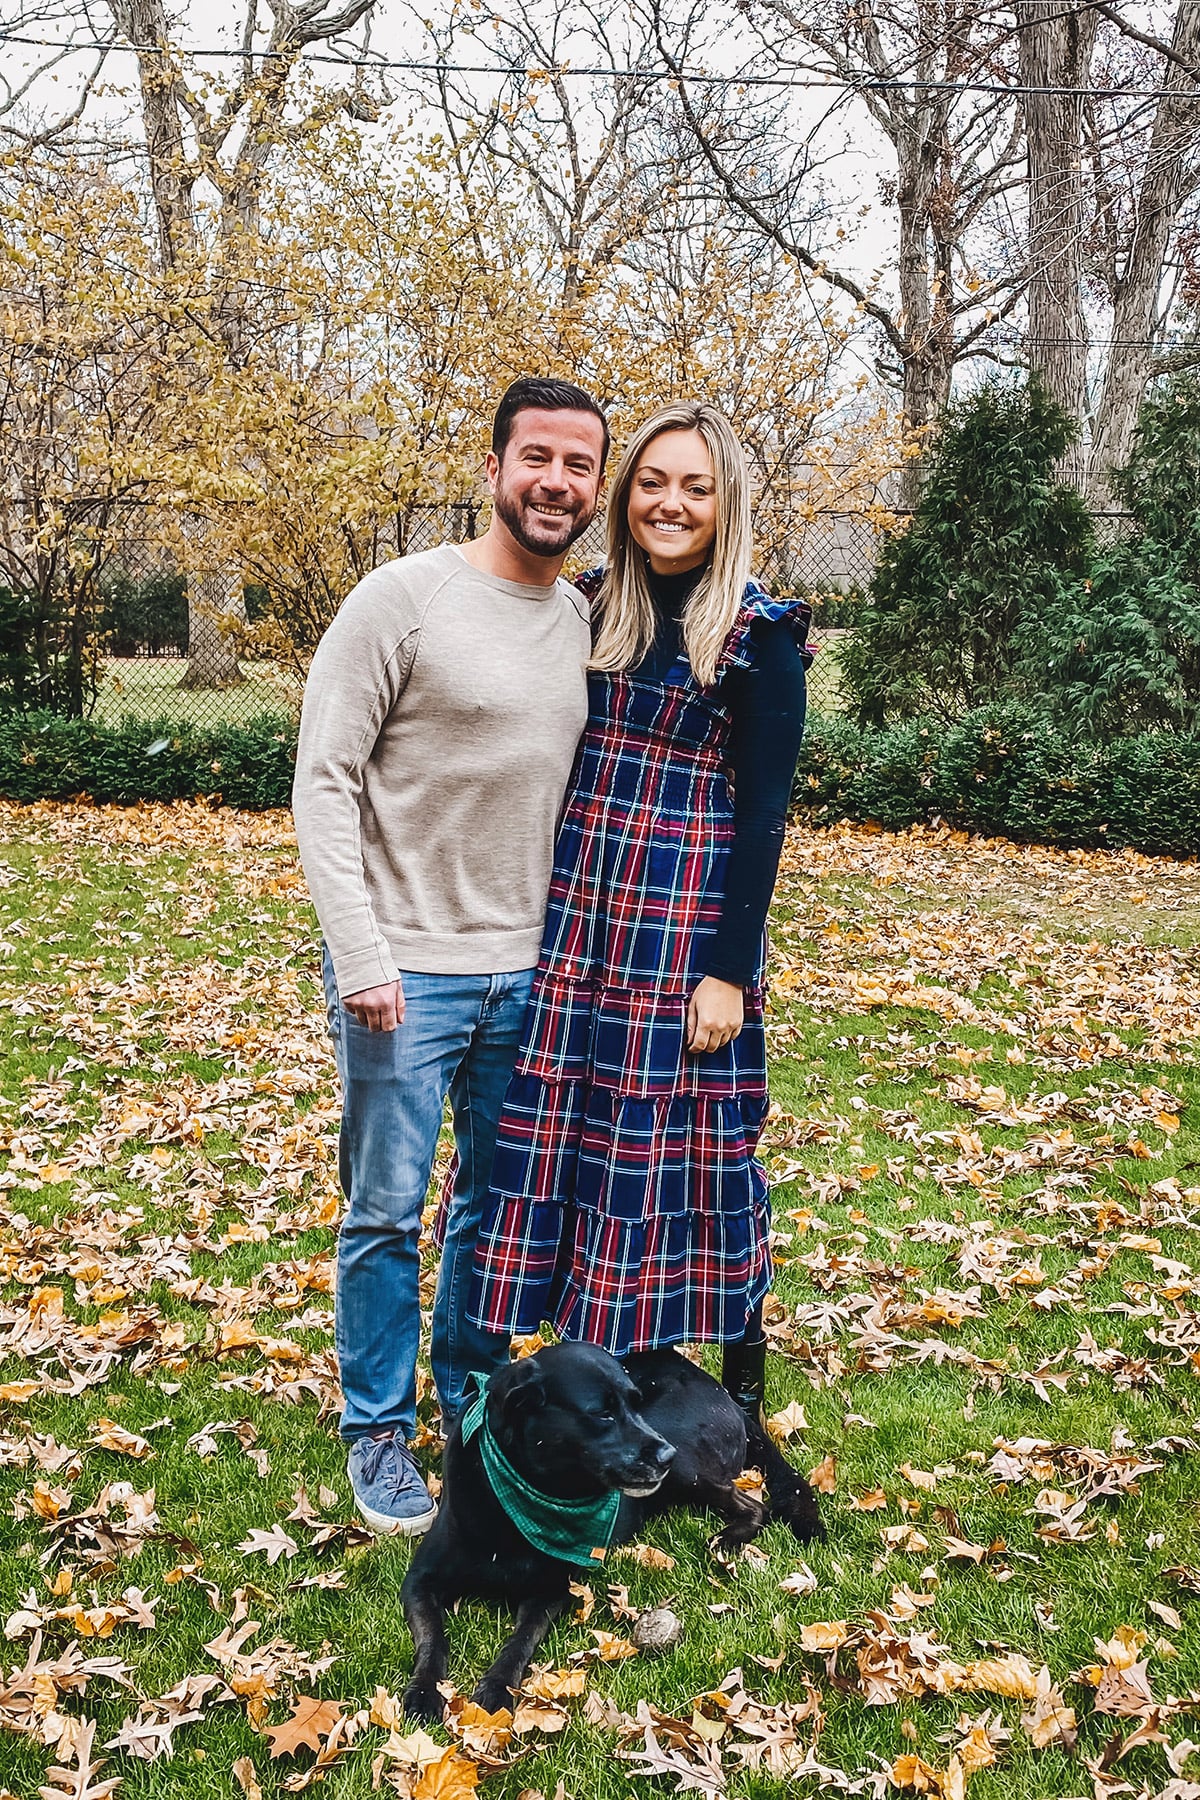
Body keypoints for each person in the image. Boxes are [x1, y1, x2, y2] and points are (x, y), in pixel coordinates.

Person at [292, 376, 608, 1536]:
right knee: (383, 1210)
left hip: (529, 973)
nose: (556, 483)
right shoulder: (402, 600)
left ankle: (467, 1396)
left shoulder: (585, 621)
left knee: (491, 1204)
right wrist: (359, 952)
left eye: (579, 465)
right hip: (405, 973)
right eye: (537, 458)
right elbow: (324, 779)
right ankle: (376, 1432)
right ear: (494, 468)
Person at [466, 401, 811, 1422]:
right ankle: (589, 1368)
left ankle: (738, 1380)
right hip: (579, 918)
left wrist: (729, 972)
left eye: (695, 487)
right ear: (625, 496)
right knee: (575, 1134)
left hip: (679, 926)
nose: (671, 503)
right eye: (652, 482)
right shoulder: (587, 608)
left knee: (681, 1149)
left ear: (725, 502)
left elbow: (766, 815)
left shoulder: (756, 636)